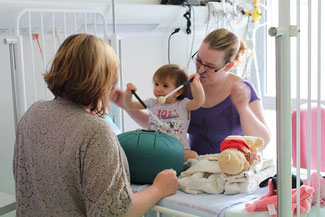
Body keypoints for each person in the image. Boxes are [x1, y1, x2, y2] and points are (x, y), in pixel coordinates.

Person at [13, 33, 178, 217]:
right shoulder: (95, 132)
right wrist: (159, 189)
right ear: (103, 82)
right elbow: (115, 213)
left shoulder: (33, 113)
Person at [111, 28, 271, 155]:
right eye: (199, 60)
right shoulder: (186, 86)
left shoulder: (243, 89)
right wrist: (126, 105)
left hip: (231, 170)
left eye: (210, 66)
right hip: (193, 167)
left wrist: (243, 109)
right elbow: (161, 123)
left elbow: (262, 142)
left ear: (229, 66)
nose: (201, 69)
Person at [123, 64, 205, 161]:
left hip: (176, 148)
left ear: (178, 92)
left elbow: (199, 101)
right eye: (156, 84)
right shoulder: (152, 103)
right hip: (155, 146)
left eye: (165, 86)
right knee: (138, 134)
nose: (158, 89)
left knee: (193, 155)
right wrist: (128, 93)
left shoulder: (183, 104)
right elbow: (130, 104)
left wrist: (196, 86)